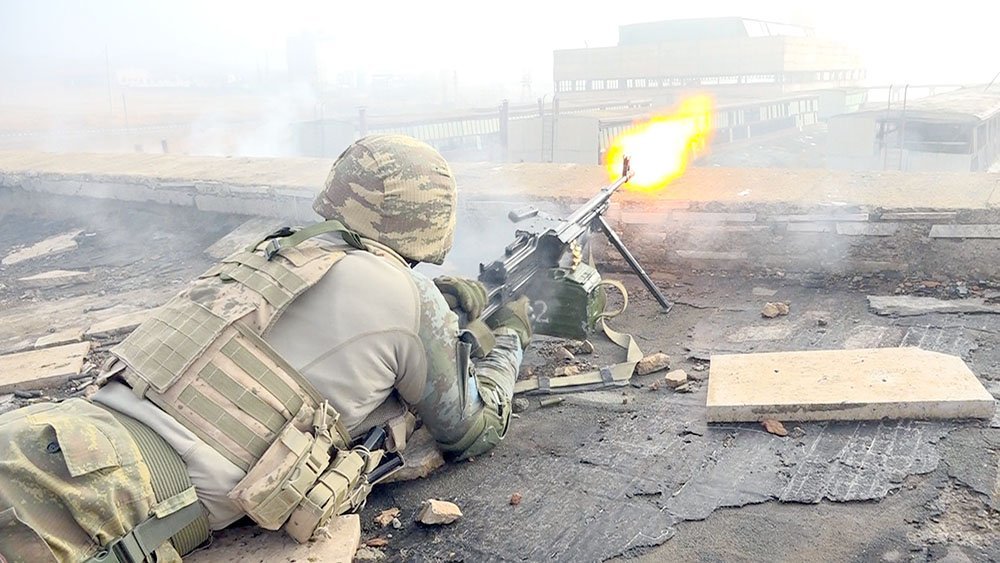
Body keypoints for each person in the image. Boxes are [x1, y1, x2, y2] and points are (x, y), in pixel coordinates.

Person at [0, 134, 531, 563]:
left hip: (56, 431)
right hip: (111, 501)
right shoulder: (407, 295)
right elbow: (471, 430)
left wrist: (433, 308)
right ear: (429, 219)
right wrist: (508, 337)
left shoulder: (274, 250)